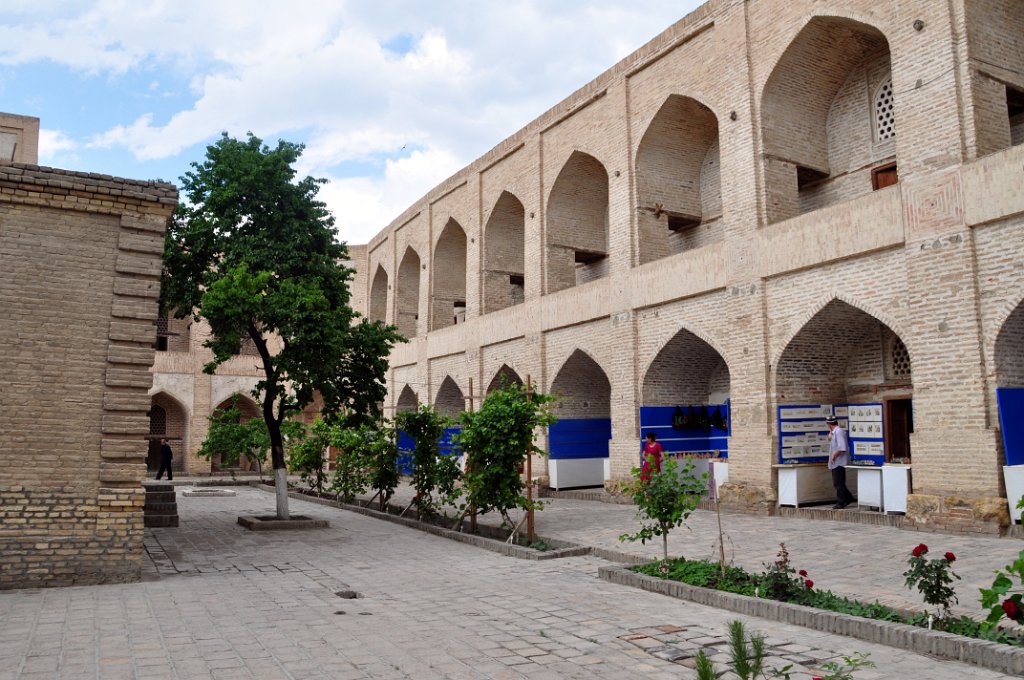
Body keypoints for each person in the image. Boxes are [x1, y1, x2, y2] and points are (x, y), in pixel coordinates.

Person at [826, 416, 855, 509]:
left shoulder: (839, 432)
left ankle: (841, 501)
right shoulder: (835, 432)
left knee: (838, 483)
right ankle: (848, 497)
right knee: (838, 482)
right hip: (835, 462)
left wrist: (834, 454)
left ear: (829, 424)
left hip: (839, 461)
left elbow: (842, 447)